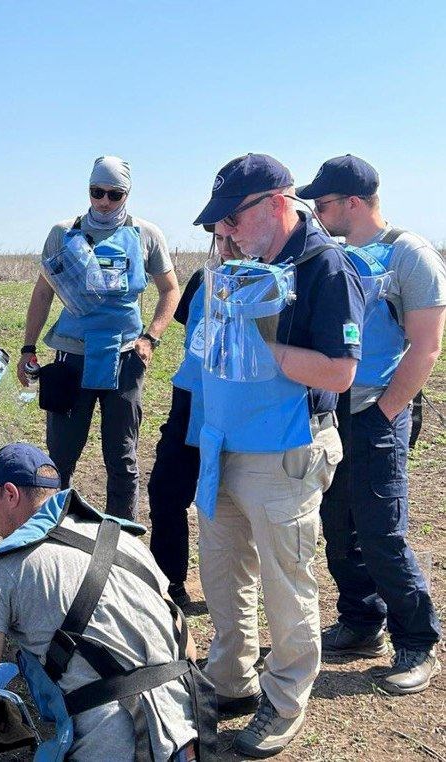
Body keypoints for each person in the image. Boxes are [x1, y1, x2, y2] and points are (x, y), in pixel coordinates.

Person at [191, 153, 365, 757]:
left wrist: (268, 341)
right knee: (223, 571)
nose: (225, 232)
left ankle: (286, 697)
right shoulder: (244, 266)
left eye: (232, 219)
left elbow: (341, 374)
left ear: (276, 203)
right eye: (220, 225)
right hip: (224, 447)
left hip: (285, 452)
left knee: (285, 583)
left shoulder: (325, 268)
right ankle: (230, 676)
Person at [0, 443, 214, 762]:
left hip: (118, 749)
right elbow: (190, 649)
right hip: (190, 736)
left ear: (11, 494)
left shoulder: (3, 570)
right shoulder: (125, 539)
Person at [299, 155, 444, 693]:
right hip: (333, 409)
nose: (316, 211)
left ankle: (416, 642)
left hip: (379, 410)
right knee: (338, 525)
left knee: (381, 530)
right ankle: (362, 621)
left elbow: (426, 346)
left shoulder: (410, 255)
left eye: (324, 202)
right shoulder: (332, 253)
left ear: (352, 203)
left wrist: (386, 411)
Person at [18, 156, 180, 522]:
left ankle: (122, 538)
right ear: (88, 189)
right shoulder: (63, 232)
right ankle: (51, 534)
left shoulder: (147, 235)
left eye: (114, 194)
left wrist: (150, 338)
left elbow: (170, 290)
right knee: (59, 457)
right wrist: (28, 347)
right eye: (97, 192)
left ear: (127, 194)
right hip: (70, 359)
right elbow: (43, 294)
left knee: (122, 457)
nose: (105, 202)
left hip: (124, 358)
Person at [146, 227, 242, 609]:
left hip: (235, 410)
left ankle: (232, 596)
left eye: (235, 238)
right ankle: (170, 585)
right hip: (188, 402)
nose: (227, 247)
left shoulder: (269, 283)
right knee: (166, 492)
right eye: (220, 239)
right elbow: (192, 329)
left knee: (230, 506)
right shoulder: (204, 278)